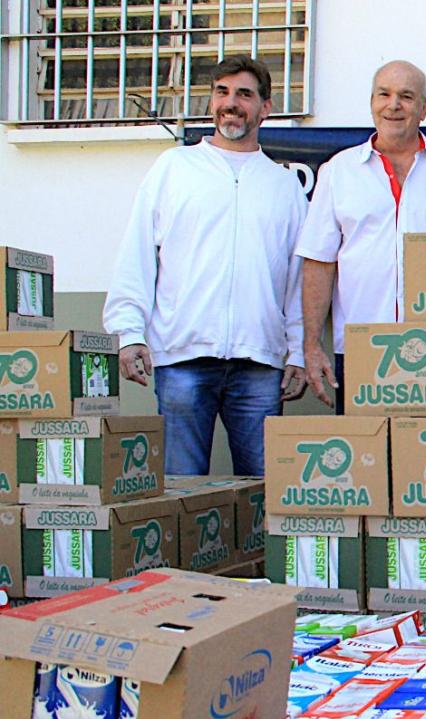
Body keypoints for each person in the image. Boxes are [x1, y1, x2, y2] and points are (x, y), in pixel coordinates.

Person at [104, 55, 306, 477]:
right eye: (222, 92)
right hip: (183, 357)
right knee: (182, 494)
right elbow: (137, 253)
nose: (231, 103)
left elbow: (298, 280)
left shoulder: (284, 185)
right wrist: (129, 332)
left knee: (265, 493)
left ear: (265, 107)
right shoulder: (174, 168)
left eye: (244, 94)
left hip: (259, 362)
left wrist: (299, 351)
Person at [296, 60, 426, 410]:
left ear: (424, 108)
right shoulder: (339, 171)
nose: (393, 105)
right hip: (363, 349)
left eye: (406, 96)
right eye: (384, 94)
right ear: (372, 102)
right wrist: (310, 346)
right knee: (369, 445)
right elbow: (319, 263)